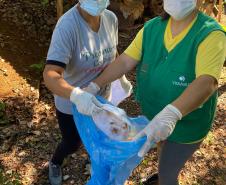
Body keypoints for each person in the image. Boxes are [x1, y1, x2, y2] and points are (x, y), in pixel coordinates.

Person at [74, 0, 226, 184]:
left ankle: (164, 178)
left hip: (187, 124)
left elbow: (207, 81)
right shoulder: (153, 28)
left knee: (169, 173)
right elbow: (125, 61)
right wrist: (94, 86)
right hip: (154, 115)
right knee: (162, 147)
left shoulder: (210, 34)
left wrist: (172, 113)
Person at [43, 0, 132, 184]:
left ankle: (95, 162)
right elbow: (51, 73)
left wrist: (120, 79)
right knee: (73, 143)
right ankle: (55, 162)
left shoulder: (110, 18)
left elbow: (112, 52)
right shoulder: (67, 26)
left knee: (101, 136)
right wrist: (77, 95)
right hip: (73, 104)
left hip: (102, 99)